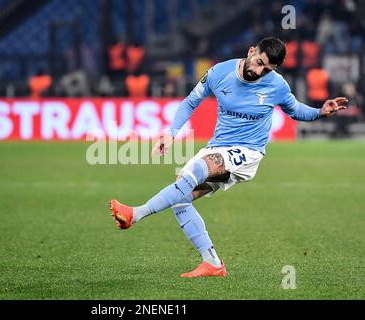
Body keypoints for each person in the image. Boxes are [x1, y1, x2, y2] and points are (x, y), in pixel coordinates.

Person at [109, 37, 348, 278]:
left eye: (267, 69)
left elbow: (295, 109)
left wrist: (320, 111)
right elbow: (190, 102)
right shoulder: (219, 72)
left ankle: (135, 214)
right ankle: (212, 263)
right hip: (217, 147)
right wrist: (171, 134)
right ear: (251, 51)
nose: (258, 71)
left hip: (248, 152)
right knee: (181, 196)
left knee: (195, 172)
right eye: (258, 62)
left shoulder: (277, 85)